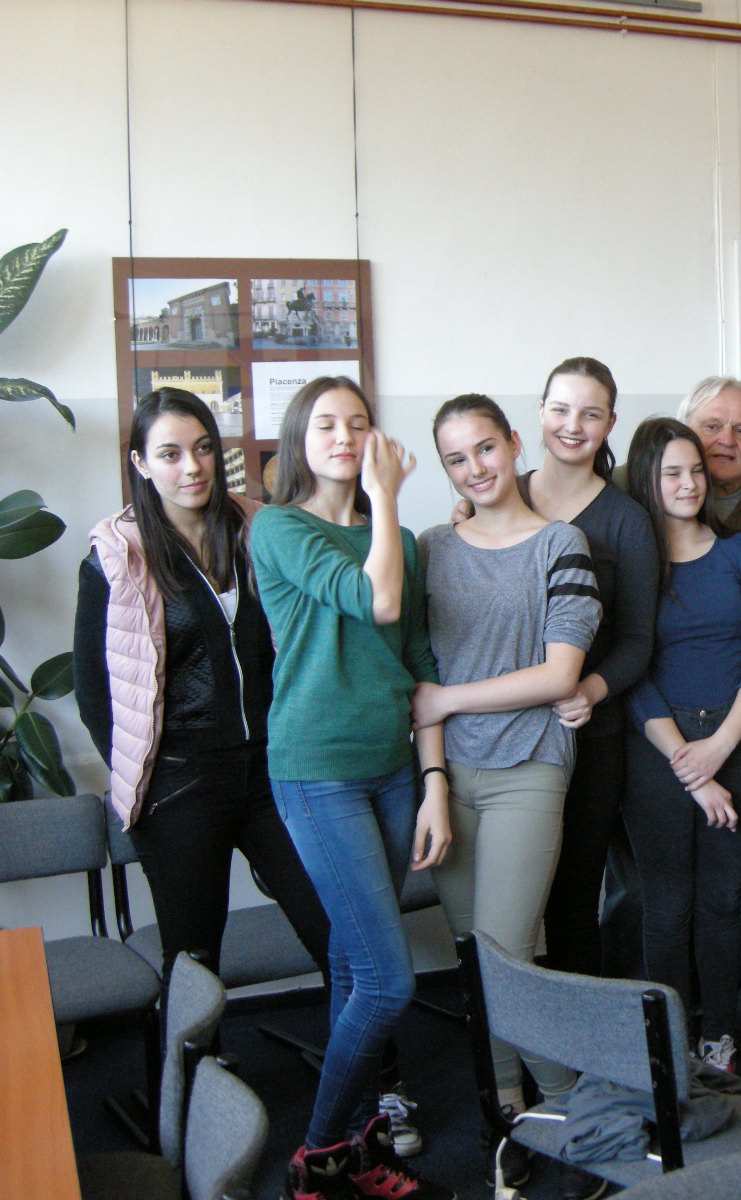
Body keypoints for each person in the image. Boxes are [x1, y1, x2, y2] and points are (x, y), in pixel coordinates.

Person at [250, 376, 455, 1200]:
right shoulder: (278, 527)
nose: (344, 436)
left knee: (350, 965)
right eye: (327, 424)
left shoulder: (395, 538)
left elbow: (418, 660)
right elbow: (373, 601)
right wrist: (388, 495)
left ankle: (362, 1143)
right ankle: (320, 1153)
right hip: (317, 771)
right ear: (299, 441)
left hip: (392, 769)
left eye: (359, 423)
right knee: (388, 981)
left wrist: (434, 780)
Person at [73, 387, 330, 991]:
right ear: (140, 463)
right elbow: (93, 692)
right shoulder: (118, 556)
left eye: (204, 448)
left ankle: (373, 1056)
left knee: (337, 934)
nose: (192, 467)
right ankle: (191, 1058)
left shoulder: (261, 529)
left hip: (273, 769)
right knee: (194, 964)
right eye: (170, 454)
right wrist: (147, 774)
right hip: (181, 784)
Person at [414, 395, 600, 1111]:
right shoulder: (432, 548)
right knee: (474, 954)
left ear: (515, 443)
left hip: (530, 765)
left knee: (508, 955)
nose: (475, 468)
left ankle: (569, 1104)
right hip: (449, 775)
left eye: (486, 448)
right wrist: (434, 782)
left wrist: (449, 700)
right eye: (456, 459)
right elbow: (422, 679)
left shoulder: (560, 544)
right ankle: (505, 1104)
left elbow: (558, 676)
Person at [623, 416, 741, 1084]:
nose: (688, 484)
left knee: (720, 903)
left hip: (736, 743)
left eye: (695, 470)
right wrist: (691, 768)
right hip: (658, 750)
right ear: (647, 481)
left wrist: (719, 749)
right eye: (671, 473)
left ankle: (720, 1034)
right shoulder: (635, 566)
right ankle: (673, 1041)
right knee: (666, 907)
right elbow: (631, 671)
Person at [525, 359, 659, 982]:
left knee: (573, 896)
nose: (572, 425)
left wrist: (592, 689)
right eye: (560, 409)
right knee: (509, 896)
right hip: (504, 729)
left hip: (591, 736)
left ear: (610, 423)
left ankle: (579, 1033)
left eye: (590, 413)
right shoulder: (496, 493)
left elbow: (638, 638)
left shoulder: (627, 519)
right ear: (540, 412)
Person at [615, 376, 741, 544]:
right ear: (685, 430)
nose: (727, 440)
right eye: (712, 427)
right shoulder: (620, 484)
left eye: (740, 430)